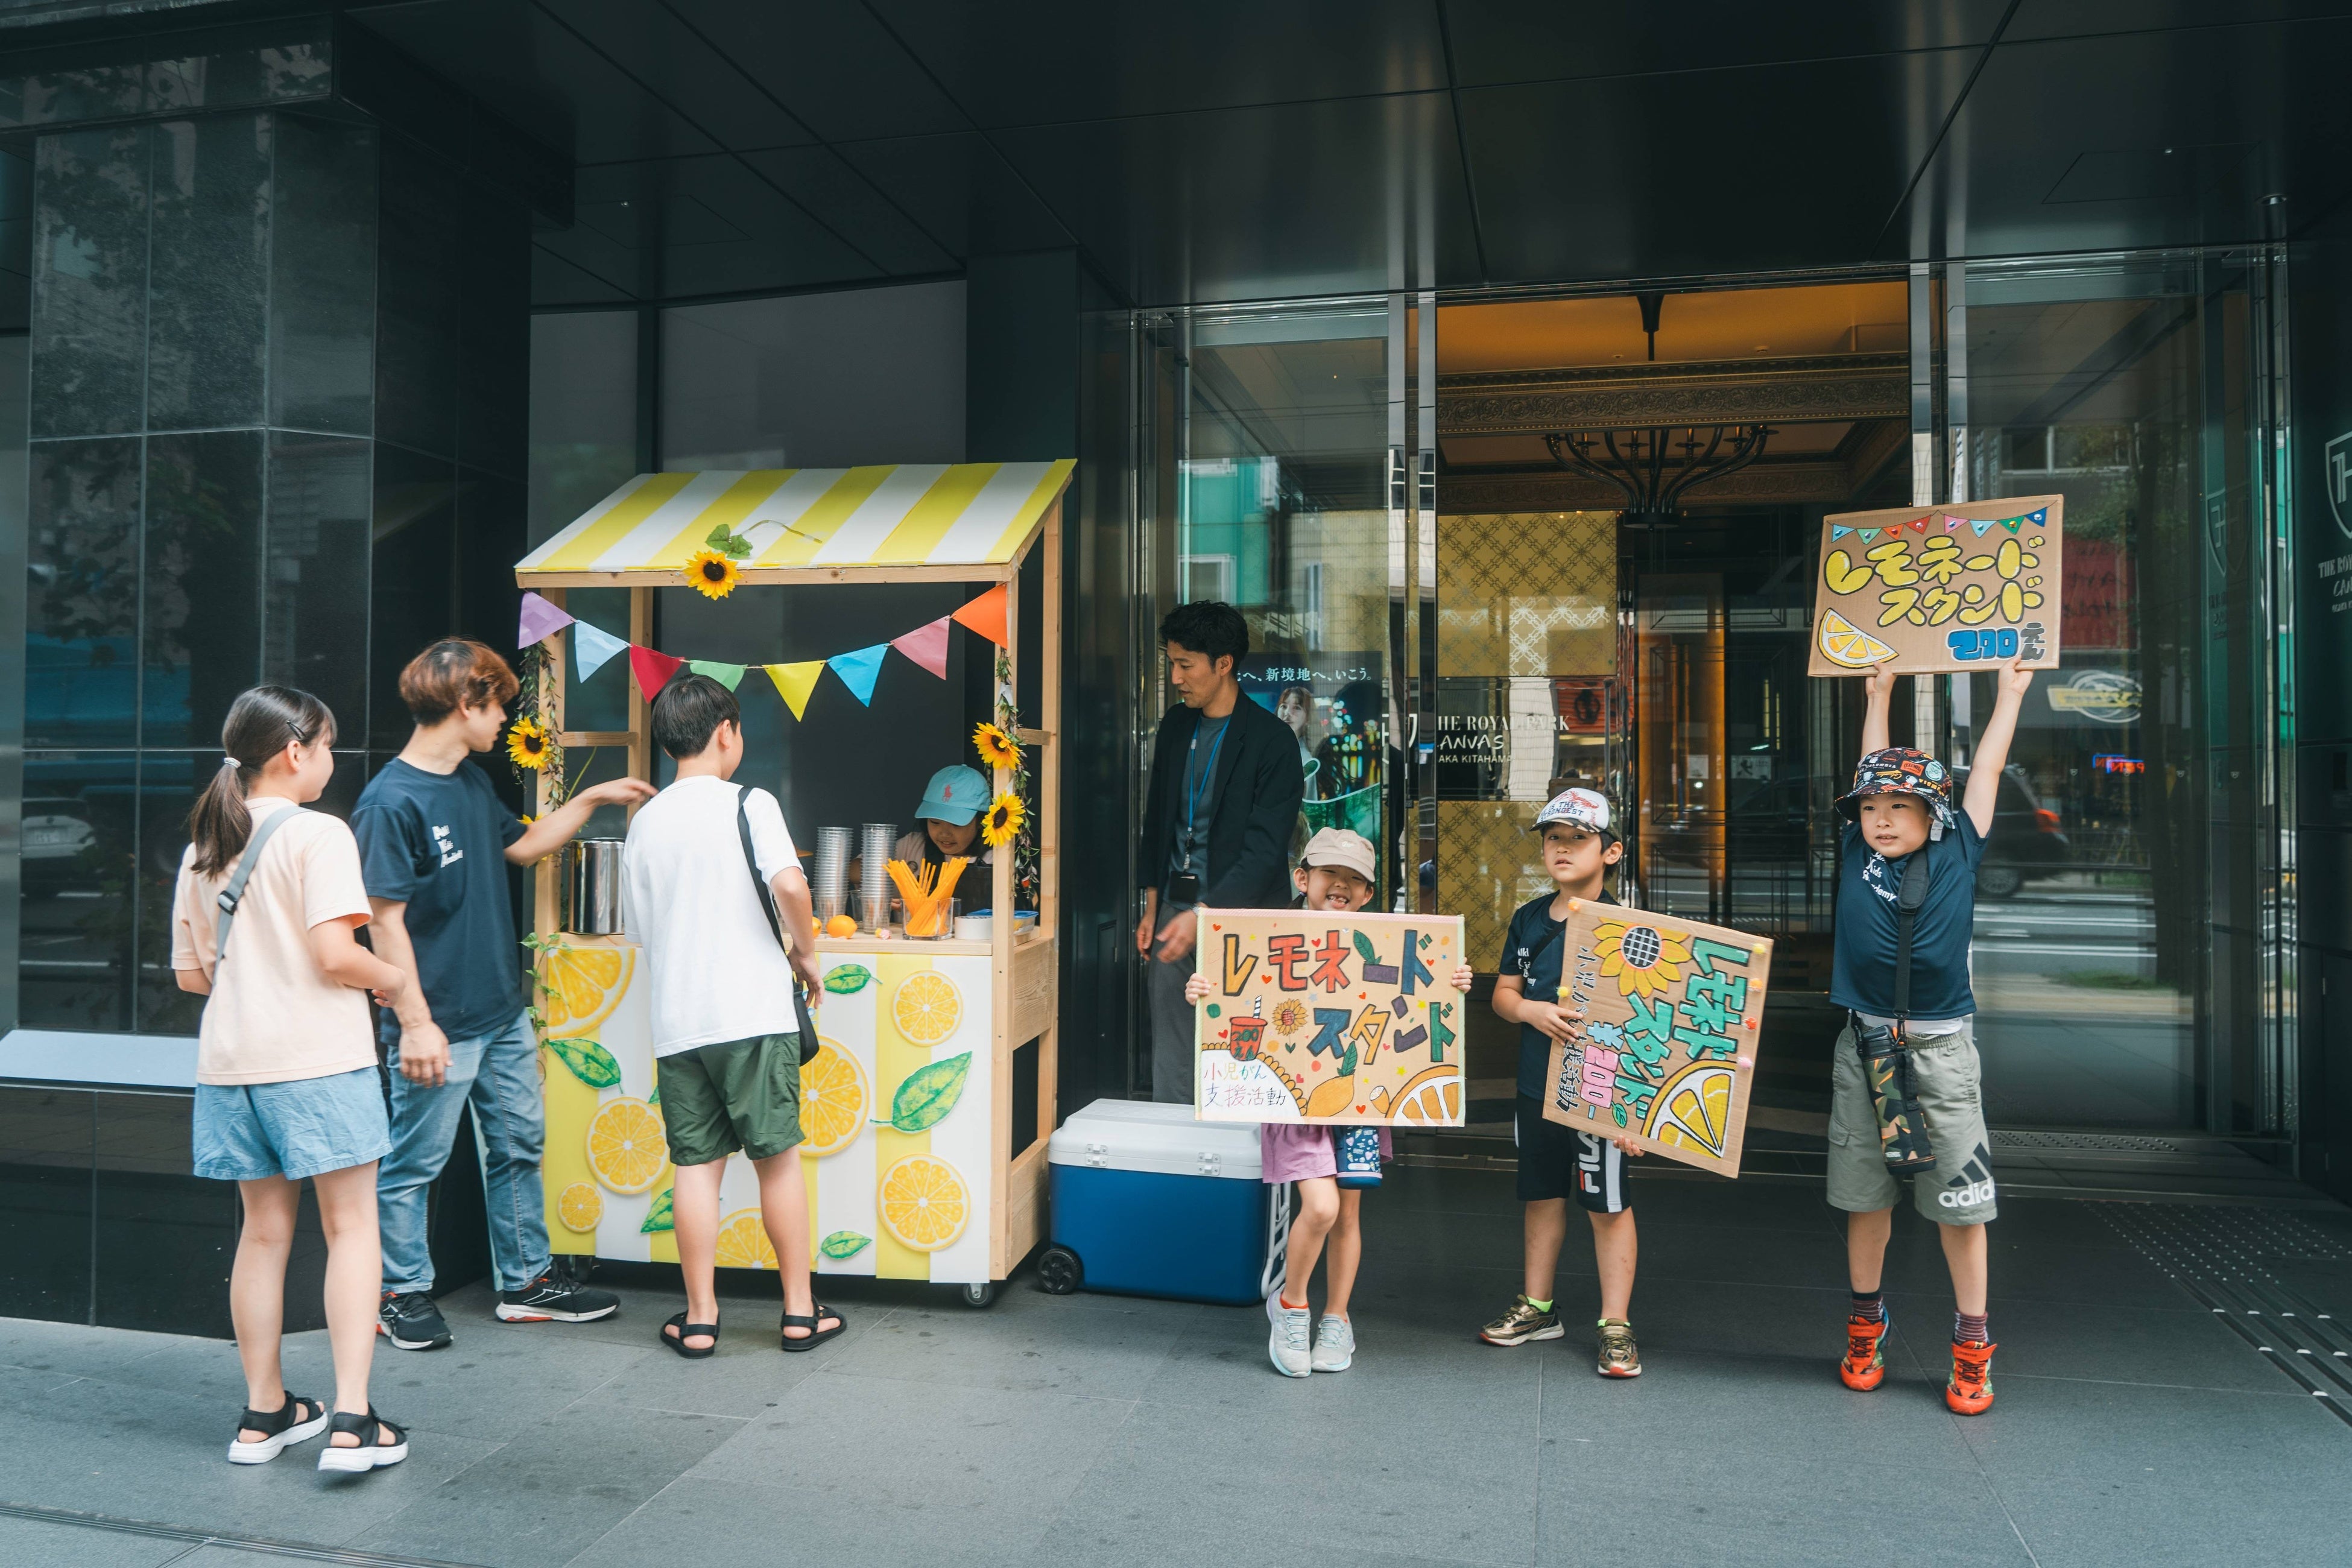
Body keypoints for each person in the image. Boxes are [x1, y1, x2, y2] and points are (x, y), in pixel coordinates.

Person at [356, 638, 654, 1351]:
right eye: (498, 708)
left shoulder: (467, 782)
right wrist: (417, 1022)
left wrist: (590, 798)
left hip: (499, 1010)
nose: (503, 724)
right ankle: (398, 1292)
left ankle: (524, 1283)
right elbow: (382, 920)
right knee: (411, 1162)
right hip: (439, 1021)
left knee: (519, 1142)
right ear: (466, 704)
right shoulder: (388, 801)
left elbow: (520, 846)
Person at [173, 687, 414, 1473]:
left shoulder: (207, 845)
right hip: (317, 1061)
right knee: (351, 1229)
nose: (333, 762)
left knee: (264, 1234)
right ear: (294, 753)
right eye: (330, 747)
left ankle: (264, 1413)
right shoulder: (319, 834)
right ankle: (350, 1421)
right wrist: (397, 984)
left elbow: (192, 976)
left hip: (232, 1066)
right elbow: (336, 956)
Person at [1183, 827, 1475, 1377]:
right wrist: (1204, 991)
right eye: (1329, 875)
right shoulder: (1270, 936)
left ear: (1368, 893)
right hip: (1295, 1098)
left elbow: (1422, 989)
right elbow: (1229, 987)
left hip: (1360, 1097)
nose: (1340, 886)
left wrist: (1450, 979)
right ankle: (1292, 1304)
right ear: (1304, 879)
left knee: (1349, 1212)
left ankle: (1337, 1319)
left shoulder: (1384, 941)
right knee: (1321, 1207)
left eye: (1354, 880)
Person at [1832, 660, 2032, 1415]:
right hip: (1864, 1049)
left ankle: (1972, 1342)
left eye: (1900, 805)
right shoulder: (1856, 850)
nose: (1881, 817)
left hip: (1943, 1053)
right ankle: (1864, 1323)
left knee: (1962, 1204)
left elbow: (1985, 765)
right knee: (1865, 1199)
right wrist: (1878, 694)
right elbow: (1868, 761)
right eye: (1871, 805)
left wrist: (2010, 694)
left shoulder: (1958, 847)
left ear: (1934, 812)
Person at [623, 674, 844, 1356]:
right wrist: (804, 953)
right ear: (726, 731)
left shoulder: (645, 820)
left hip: (678, 1021)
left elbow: (639, 929)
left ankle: (698, 1318)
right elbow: (789, 883)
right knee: (776, 1161)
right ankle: (800, 1312)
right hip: (750, 1012)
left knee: (697, 1167)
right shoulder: (750, 801)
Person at [1478, 787, 1648, 1378]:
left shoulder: (1633, 928)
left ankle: (1616, 1322)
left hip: (1601, 1088)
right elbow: (1503, 994)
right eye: (1554, 837)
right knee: (1542, 1194)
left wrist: (1635, 1108)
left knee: (1608, 1202)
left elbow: (1656, 1023)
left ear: (1612, 851)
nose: (1563, 848)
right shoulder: (1528, 917)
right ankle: (1538, 1306)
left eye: (1579, 838)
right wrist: (1530, 1011)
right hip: (1535, 1085)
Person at [1136, 601, 1306, 1102]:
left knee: (1245, 1047)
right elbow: (1157, 820)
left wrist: (1204, 916)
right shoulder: (1174, 726)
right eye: (1172, 663)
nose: (1175, 677)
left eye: (1186, 665)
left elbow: (1265, 850)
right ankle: (1180, 1160)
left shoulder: (1272, 741)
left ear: (1224, 663)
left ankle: (1242, 1164)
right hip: (1174, 910)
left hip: (1247, 918)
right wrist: (1152, 904)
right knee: (1173, 1045)